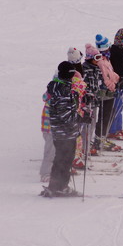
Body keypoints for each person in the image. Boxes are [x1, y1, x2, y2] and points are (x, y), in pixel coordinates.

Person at [40, 61, 89, 197]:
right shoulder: (64, 90)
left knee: (61, 158)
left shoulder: (57, 86)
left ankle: (57, 185)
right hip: (65, 130)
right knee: (65, 159)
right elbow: (65, 113)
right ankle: (59, 186)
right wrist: (81, 118)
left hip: (58, 129)